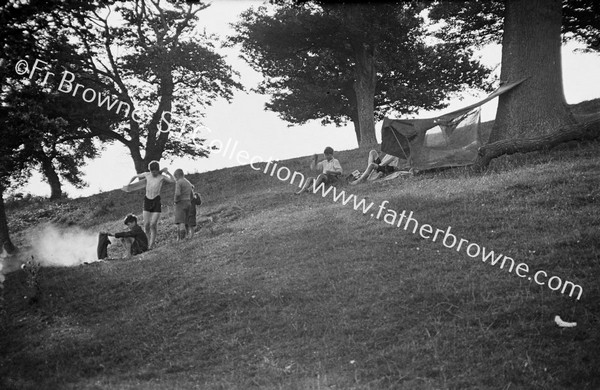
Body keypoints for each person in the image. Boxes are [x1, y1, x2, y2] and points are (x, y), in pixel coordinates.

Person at [127, 161, 175, 248]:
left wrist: (167, 172)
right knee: (146, 224)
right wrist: (129, 184)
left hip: (156, 201)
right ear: (150, 170)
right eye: (152, 172)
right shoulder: (147, 174)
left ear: (158, 170)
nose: (154, 173)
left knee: (153, 224)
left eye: (156, 172)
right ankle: (147, 243)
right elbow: (135, 176)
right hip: (147, 200)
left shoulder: (161, 177)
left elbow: (173, 180)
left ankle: (152, 244)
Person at [173, 169, 197, 240]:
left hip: (181, 203)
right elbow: (192, 195)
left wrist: (176, 200)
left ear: (177, 175)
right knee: (186, 221)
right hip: (188, 202)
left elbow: (177, 193)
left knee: (181, 222)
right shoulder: (188, 182)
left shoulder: (179, 182)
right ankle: (186, 236)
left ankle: (182, 239)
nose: (175, 179)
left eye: (175, 177)